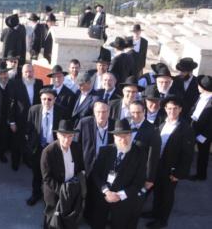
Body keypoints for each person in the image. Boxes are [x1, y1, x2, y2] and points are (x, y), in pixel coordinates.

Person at [145, 96, 194, 229]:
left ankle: (162, 220)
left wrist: (179, 173)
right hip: (158, 164)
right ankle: (154, 212)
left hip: (171, 169)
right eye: (169, 108)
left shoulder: (185, 129)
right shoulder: (162, 123)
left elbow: (188, 154)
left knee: (166, 195)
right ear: (165, 109)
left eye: (175, 109)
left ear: (180, 110)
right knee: (157, 191)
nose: (172, 111)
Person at [90, 119, 147, 229]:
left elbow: (139, 181)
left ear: (131, 135)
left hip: (124, 199)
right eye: (120, 136)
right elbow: (96, 174)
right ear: (115, 137)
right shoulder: (105, 151)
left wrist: (119, 195)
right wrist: (106, 191)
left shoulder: (139, 154)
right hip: (104, 196)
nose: (124, 139)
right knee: (98, 223)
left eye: (127, 135)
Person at [26, 88, 67, 206]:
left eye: (49, 99)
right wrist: (30, 144)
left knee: (52, 174)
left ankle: (49, 198)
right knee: (37, 173)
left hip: (53, 148)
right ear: (40, 99)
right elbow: (29, 128)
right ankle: (35, 194)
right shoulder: (34, 110)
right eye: (44, 99)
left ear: (55, 100)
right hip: (38, 147)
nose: (46, 102)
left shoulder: (61, 112)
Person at [75, 100, 114, 224]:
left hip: (106, 167)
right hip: (88, 165)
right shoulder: (84, 123)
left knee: (102, 192)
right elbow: (76, 145)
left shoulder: (114, 125)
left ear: (109, 112)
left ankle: (98, 217)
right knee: (87, 191)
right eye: (98, 112)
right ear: (94, 112)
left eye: (104, 112)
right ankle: (86, 214)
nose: (101, 115)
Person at [41, 119, 85, 229]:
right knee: (52, 218)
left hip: (71, 189)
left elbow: (80, 168)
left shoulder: (77, 148)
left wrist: (74, 186)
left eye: (70, 136)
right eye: (64, 136)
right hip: (55, 191)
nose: (67, 139)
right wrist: (62, 190)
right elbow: (47, 177)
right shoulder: (48, 151)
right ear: (58, 135)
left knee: (68, 217)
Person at [12, 63, 43, 170]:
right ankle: (15, 162)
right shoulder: (15, 84)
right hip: (19, 119)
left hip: (33, 120)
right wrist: (12, 122)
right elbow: (12, 103)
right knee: (16, 142)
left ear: (33, 72)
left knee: (29, 142)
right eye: (26, 72)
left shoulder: (39, 83)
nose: (28, 74)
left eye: (30, 71)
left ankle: (26, 160)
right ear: (22, 73)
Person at [190, 75, 212, 181]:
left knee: (203, 155)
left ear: (204, 87)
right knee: (187, 151)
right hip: (194, 127)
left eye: (199, 85)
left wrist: (204, 136)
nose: (198, 87)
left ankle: (201, 175)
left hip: (204, 133)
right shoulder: (201, 96)